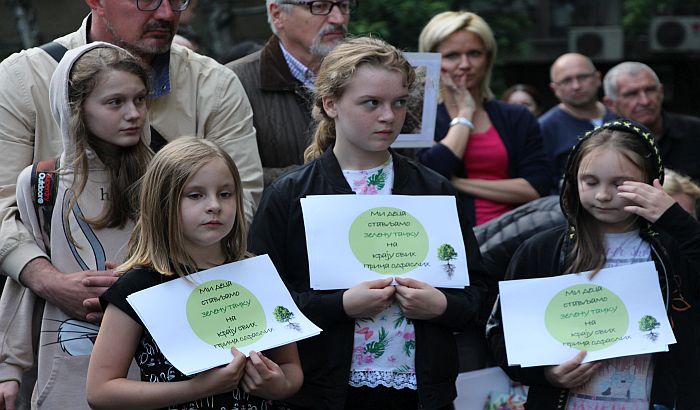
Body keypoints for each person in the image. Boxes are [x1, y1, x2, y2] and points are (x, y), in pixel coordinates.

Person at [249, 36, 489, 409]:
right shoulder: (291, 195)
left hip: (423, 391)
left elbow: (478, 291)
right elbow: (264, 303)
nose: (389, 116)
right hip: (326, 389)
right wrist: (340, 305)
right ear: (331, 104)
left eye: (398, 103)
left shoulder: (432, 189)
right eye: (371, 103)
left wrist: (441, 305)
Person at [0, 0, 263, 326]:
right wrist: (46, 279)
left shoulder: (214, 85)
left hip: (179, 308)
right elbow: (2, 204)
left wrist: (149, 278)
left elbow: (242, 199)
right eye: (147, 0)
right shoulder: (22, 78)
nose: (167, 14)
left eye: (178, 0)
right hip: (54, 326)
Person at [487, 120, 700, 409]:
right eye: (590, 182)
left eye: (619, 184)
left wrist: (676, 220)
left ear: (651, 181)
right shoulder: (542, 250)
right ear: (573, 181)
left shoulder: (671, 249)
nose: (602, 195)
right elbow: (503, 332)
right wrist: (545, 374)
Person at [86, 137, 302, 410]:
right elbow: (100, 390)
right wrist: (198, 388)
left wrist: (279, 384)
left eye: (225, 194)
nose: (214, 205)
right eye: (195, 195)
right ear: (162, 203)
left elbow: (291, 368)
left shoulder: (257, 274)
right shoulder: (138, 287)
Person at [0, 42, 151, 410]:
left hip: (150, 364)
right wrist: (9, 365)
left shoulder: (165, 176)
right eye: (115, 102)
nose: (133, 113)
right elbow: (25, 281)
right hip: (66, 366)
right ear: (75, 109)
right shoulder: (41, 183)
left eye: (140, 99)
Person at [416, 11, 551, 227]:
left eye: (474, 53)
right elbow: (433, 172)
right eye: (452, 56)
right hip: (450, 235)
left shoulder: (517, 117)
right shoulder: (418, 119)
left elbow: (537, 187)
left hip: (517, 234)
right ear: (433, 59)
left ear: (488, 58)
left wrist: (458, 183)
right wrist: (465, 114)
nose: (465, 64)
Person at [226, 0, 352, 186]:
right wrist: (324, 177)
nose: (338, 18)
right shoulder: (233, 83)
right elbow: (228, 177)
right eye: (318, 6)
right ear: (277, 14)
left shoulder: (366, 77)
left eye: (343, 5)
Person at [603, 61, 700, 182]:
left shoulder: (695, 132)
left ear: (661, 92)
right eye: (631, 94)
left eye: (650, 90)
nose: (645, 101)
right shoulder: (600, 144)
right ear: (610, 104)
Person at [539, 53, 616, 192]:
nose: (576, 86)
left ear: (598, 78)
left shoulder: (620, 117)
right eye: (567, 80)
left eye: (582, 77)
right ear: (555, 89)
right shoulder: (544, 128)